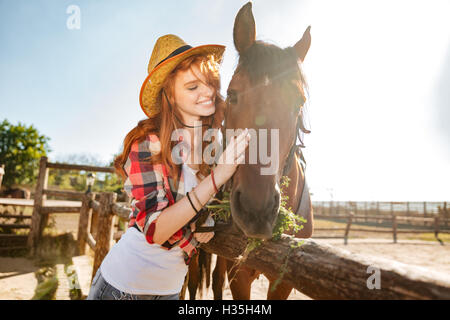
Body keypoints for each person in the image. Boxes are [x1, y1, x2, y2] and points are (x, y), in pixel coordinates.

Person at [87, 34, 251, 300]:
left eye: (209, 83)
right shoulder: (146, 144)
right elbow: (155, 230)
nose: (207, 92)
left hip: (170, 291)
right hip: (123, 289)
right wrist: (218, 177)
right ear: (171, 96)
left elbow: (206, 208)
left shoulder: (210, 148)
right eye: (192, 86)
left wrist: (206, 220)